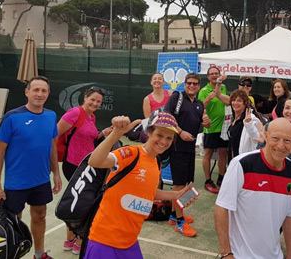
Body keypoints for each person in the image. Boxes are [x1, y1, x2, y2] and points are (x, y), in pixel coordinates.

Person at [85, 112, 192, 259]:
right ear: (149, 132)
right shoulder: (131, 153)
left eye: (169, 138)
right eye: (159, 135)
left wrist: (176, 195)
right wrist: (116, 134)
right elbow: (94, 161)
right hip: (104, 240)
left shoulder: (156, 162)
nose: (163, 141)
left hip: (129, 242)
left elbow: (149, 192)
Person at [215, 118, 291, 259]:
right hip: (239, 255)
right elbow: (222, 207)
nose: (281, 146)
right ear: (266, 136)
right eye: (275, 138)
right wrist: (226, 253)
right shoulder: (241, 164)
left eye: (287, 141)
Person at [0, 76, 62, 259]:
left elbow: (52, 147)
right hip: (16, 183)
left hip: (41, 180)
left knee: (40, 215)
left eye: (44, 90)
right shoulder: (12, 117)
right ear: (27, 92)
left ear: (48, 93)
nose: (39, 94)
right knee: (11, 223)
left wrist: (56, 173)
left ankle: (39, 254)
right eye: (36, 90)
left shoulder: (51, 116)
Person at [56, 86, 112, 254]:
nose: (95, 103)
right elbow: (55, 133)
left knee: (77, 200)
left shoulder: (91, 116)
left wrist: (103, 133)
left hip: (87, 164)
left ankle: (72, 239)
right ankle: (78, 240)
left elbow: (89, 137)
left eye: (98, 102)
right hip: (73, 165)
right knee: (83, 201)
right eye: (92, 99)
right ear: (85, 97)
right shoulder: (75, 112)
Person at [164, 73, 211, 237]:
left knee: (185, 184)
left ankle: (173, 215)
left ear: (199, 86)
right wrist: (181, 132)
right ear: (185, 84)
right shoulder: (176, 98)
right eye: (189, 83)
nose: (192, 86)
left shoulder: (198, 104)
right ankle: (179, 222)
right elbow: (167, 118)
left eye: (195, 84)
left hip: (190, 149)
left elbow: (200, 123)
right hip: (177, 147)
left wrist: (206, 123)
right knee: (178, 185)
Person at [257, 95, 291, 170]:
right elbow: (259, 152)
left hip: (286, 176)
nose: (290, 111)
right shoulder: (269, 127)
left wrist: (268, 143)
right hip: (262, 172)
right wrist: (289, 149)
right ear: (283, 111)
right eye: (287, 108)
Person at [198, 67, 229, 193]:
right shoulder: (203, 91)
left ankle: (221, 178)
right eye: (212, 74)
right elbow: (200, 107)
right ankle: (208, 181)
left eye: (216, 73)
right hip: (210, 128)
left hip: (224, 127)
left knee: (223, 153)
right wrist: (208, 99)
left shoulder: (223, 87)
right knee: (208, 154)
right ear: (208, 77)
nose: (215, 76)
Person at [227, 89, 261, 159]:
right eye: (233, 100)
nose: (235, 103)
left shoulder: (251, 118)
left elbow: (256, 137)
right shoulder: (234, 119)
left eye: (239, 101)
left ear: (245, 103)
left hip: (244, 160)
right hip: (233, 160)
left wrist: (249, 125)